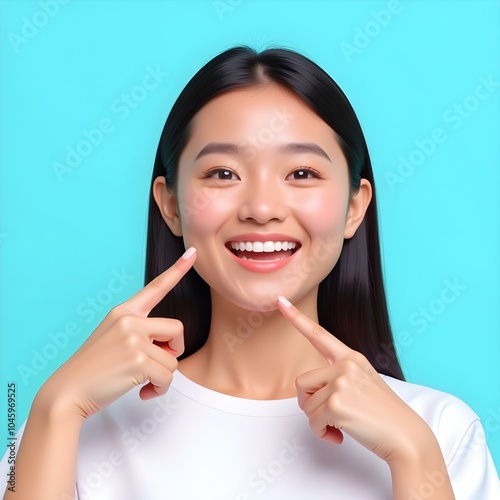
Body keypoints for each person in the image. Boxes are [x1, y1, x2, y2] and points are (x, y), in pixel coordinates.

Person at [2, 46, 499, 500]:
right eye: (223, 174)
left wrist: (413, 457)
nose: (261, 208)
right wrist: (55, 406)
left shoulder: (439, 432)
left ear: (355, 207)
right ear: (170, 206)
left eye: (302, 173)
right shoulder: (70, 426)